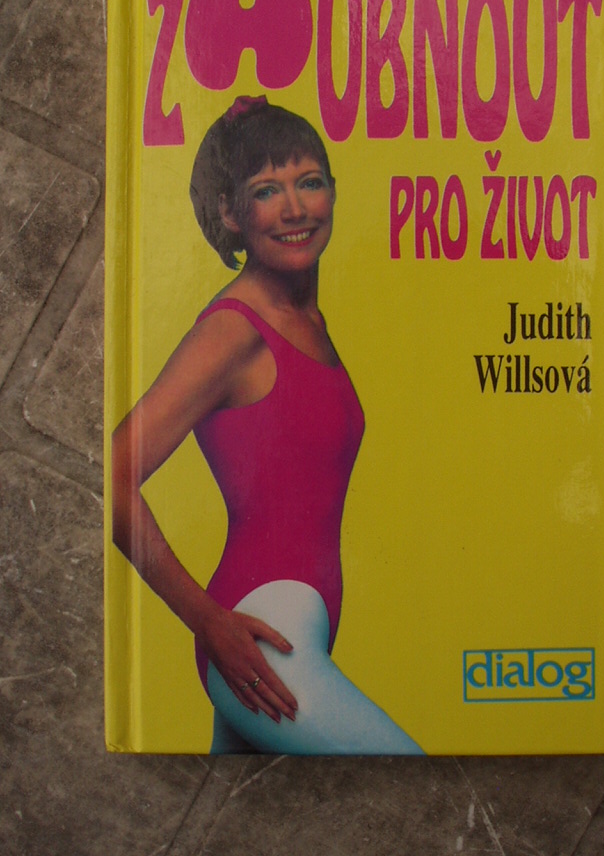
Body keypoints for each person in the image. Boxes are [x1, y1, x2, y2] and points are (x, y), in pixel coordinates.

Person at [111, 97, 422, 755]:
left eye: (309, 182)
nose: (295, 208)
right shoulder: (233, 331)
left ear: (333, 190)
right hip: (261, 632)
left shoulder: (309, 322)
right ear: (231, 212)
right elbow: (109, 473)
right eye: (266, 191)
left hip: (292, 632)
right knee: (416, 773)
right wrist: (206, 620)